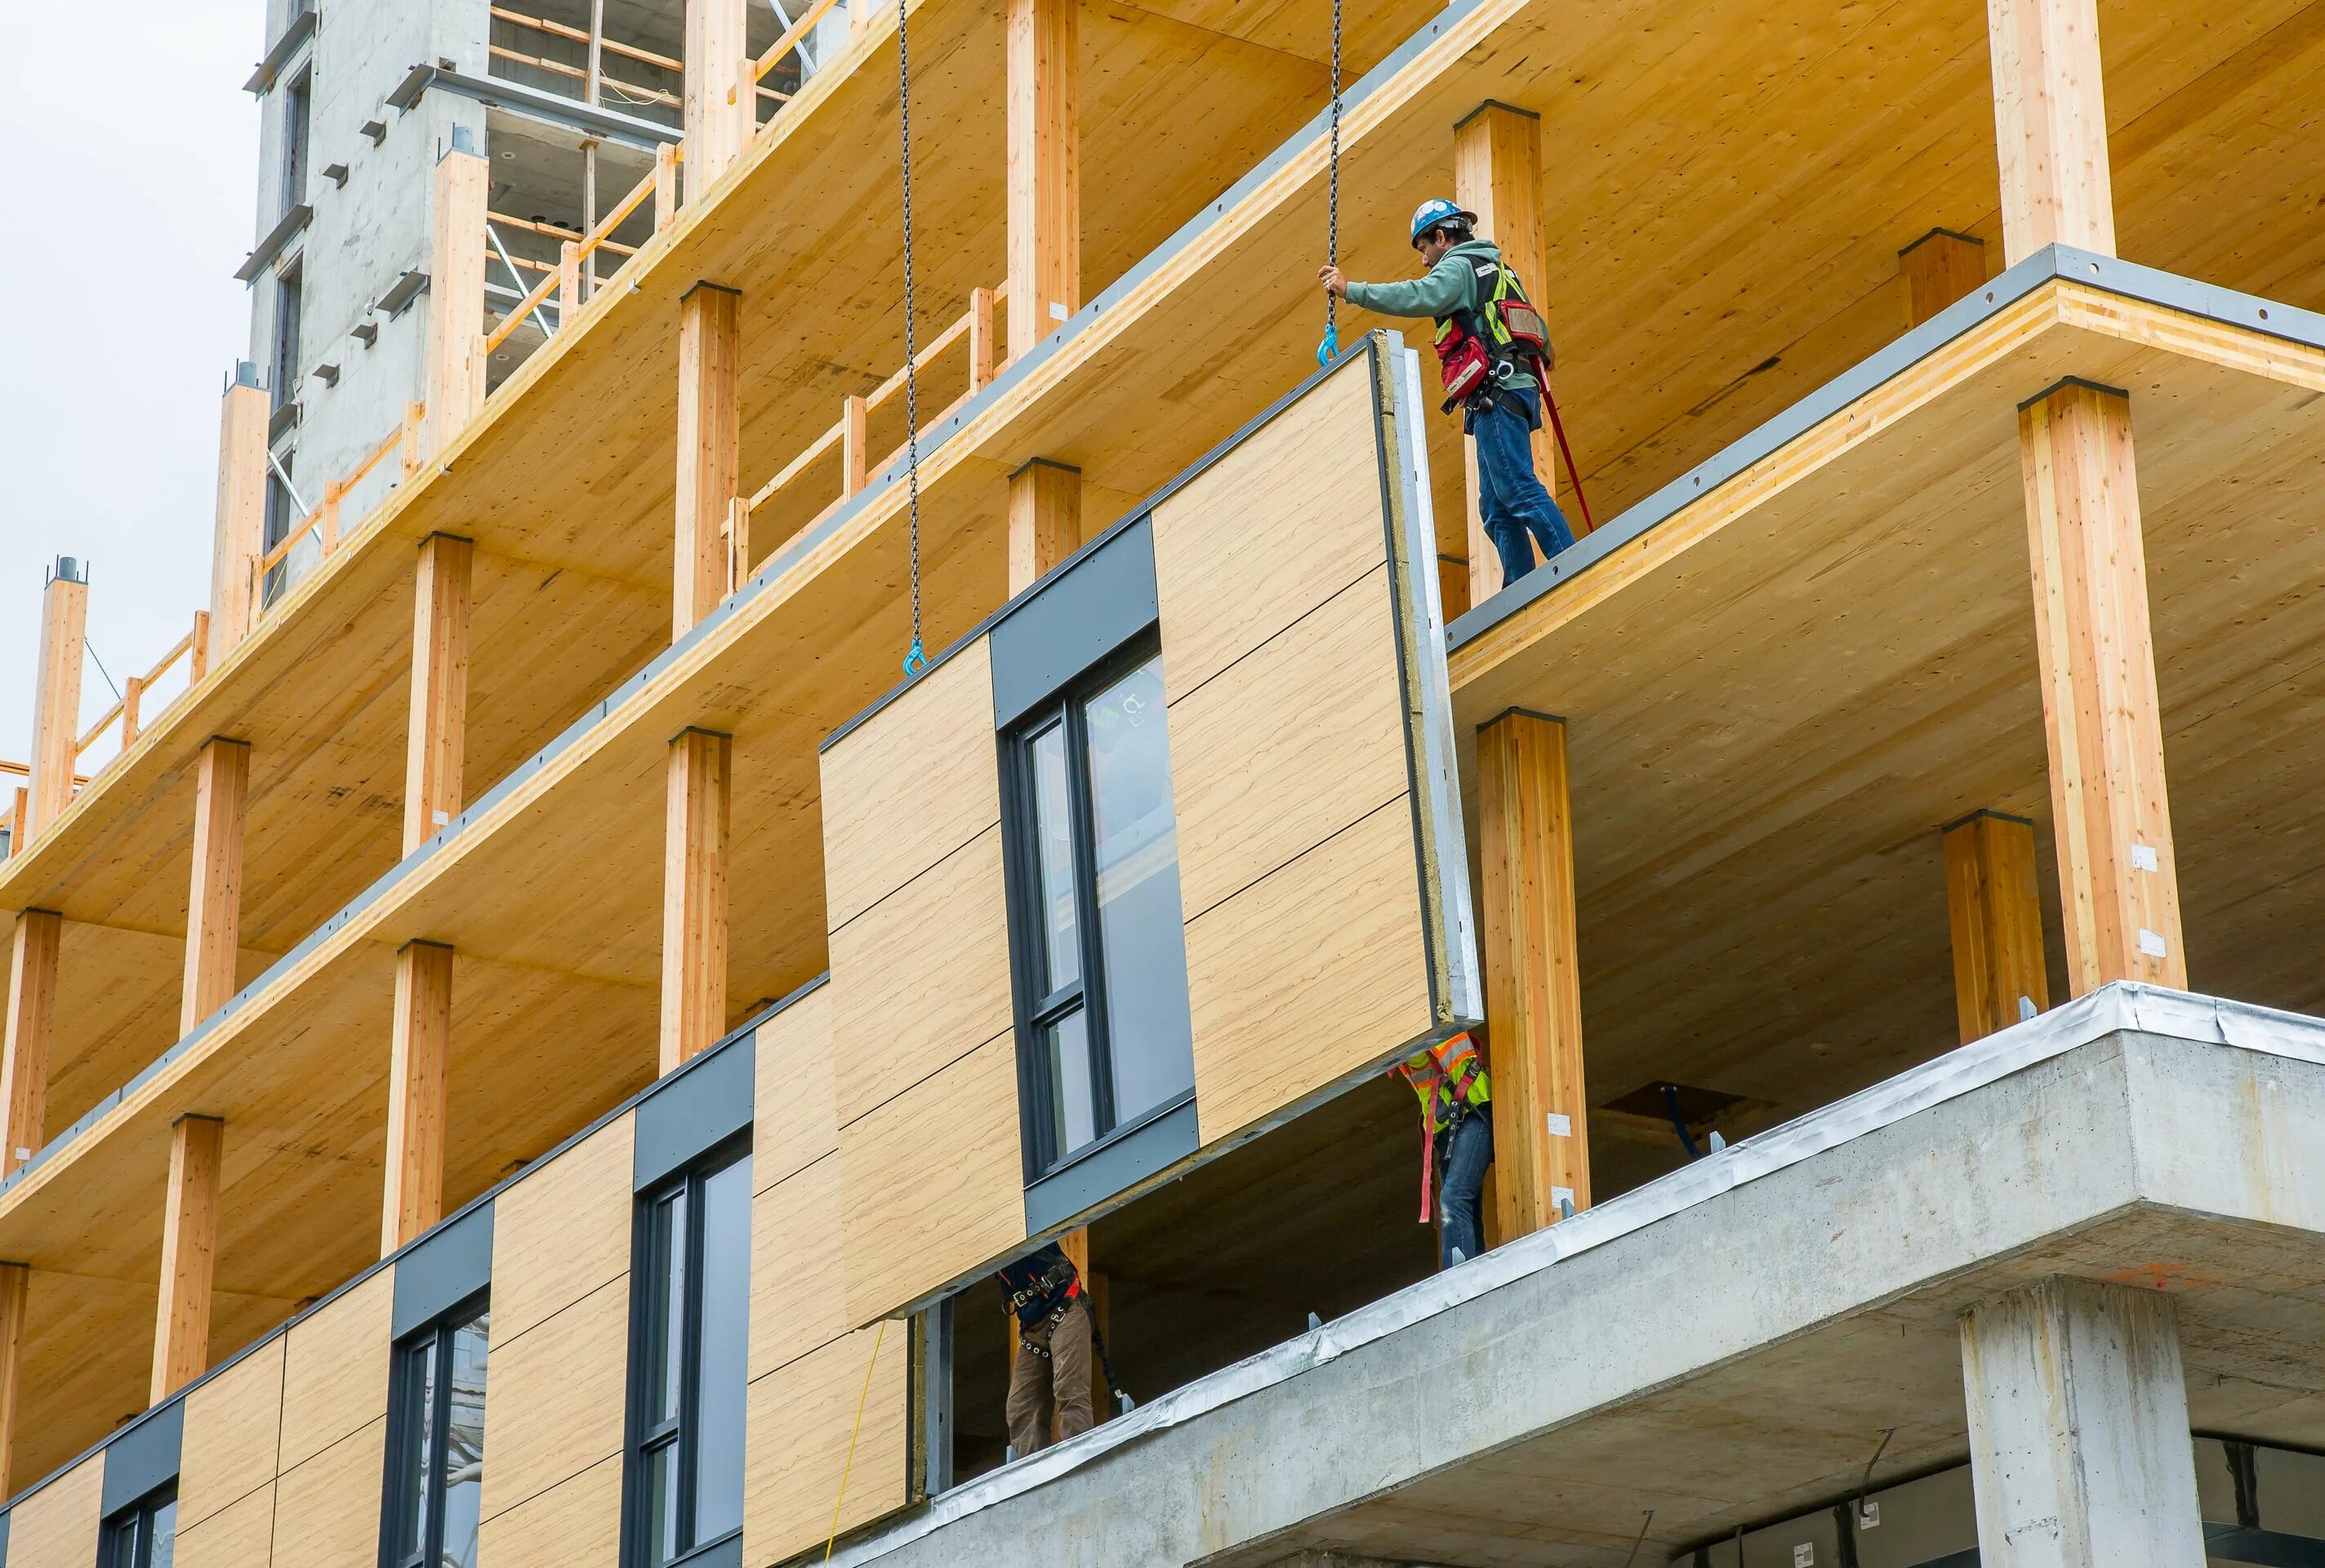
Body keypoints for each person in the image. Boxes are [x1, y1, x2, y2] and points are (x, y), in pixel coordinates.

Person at [1319, 198, 1574, 588]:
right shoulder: (1502, 271)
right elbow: (1539, 336)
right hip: (1515, 388)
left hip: (1496, 394)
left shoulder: (1459, 267)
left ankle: (1570, 563)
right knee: (1494, 505)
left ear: (1441, 237)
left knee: (1518, 488)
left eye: (1424, 249)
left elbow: (1419, 296)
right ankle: (1520, 587)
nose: (1424, 261)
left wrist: (1351, 290)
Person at [1394, 1030, 1494, 1269]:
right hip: (1445, 1128)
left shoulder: (1431, 1012)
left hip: (1473, 1112)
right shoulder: (1396, 1042)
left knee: (1453, 1199)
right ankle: (1476, 1278)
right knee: (1465, 1208)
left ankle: (1457, 1281)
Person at [995, 1241, 1093, 1457]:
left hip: (1066, 1307)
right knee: (1021, 1408)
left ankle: (1081, 1465)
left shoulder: (1012, 1216)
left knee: (1070, 1390)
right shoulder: (981, 1240)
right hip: (1033, 1328)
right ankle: (1034, 1478)